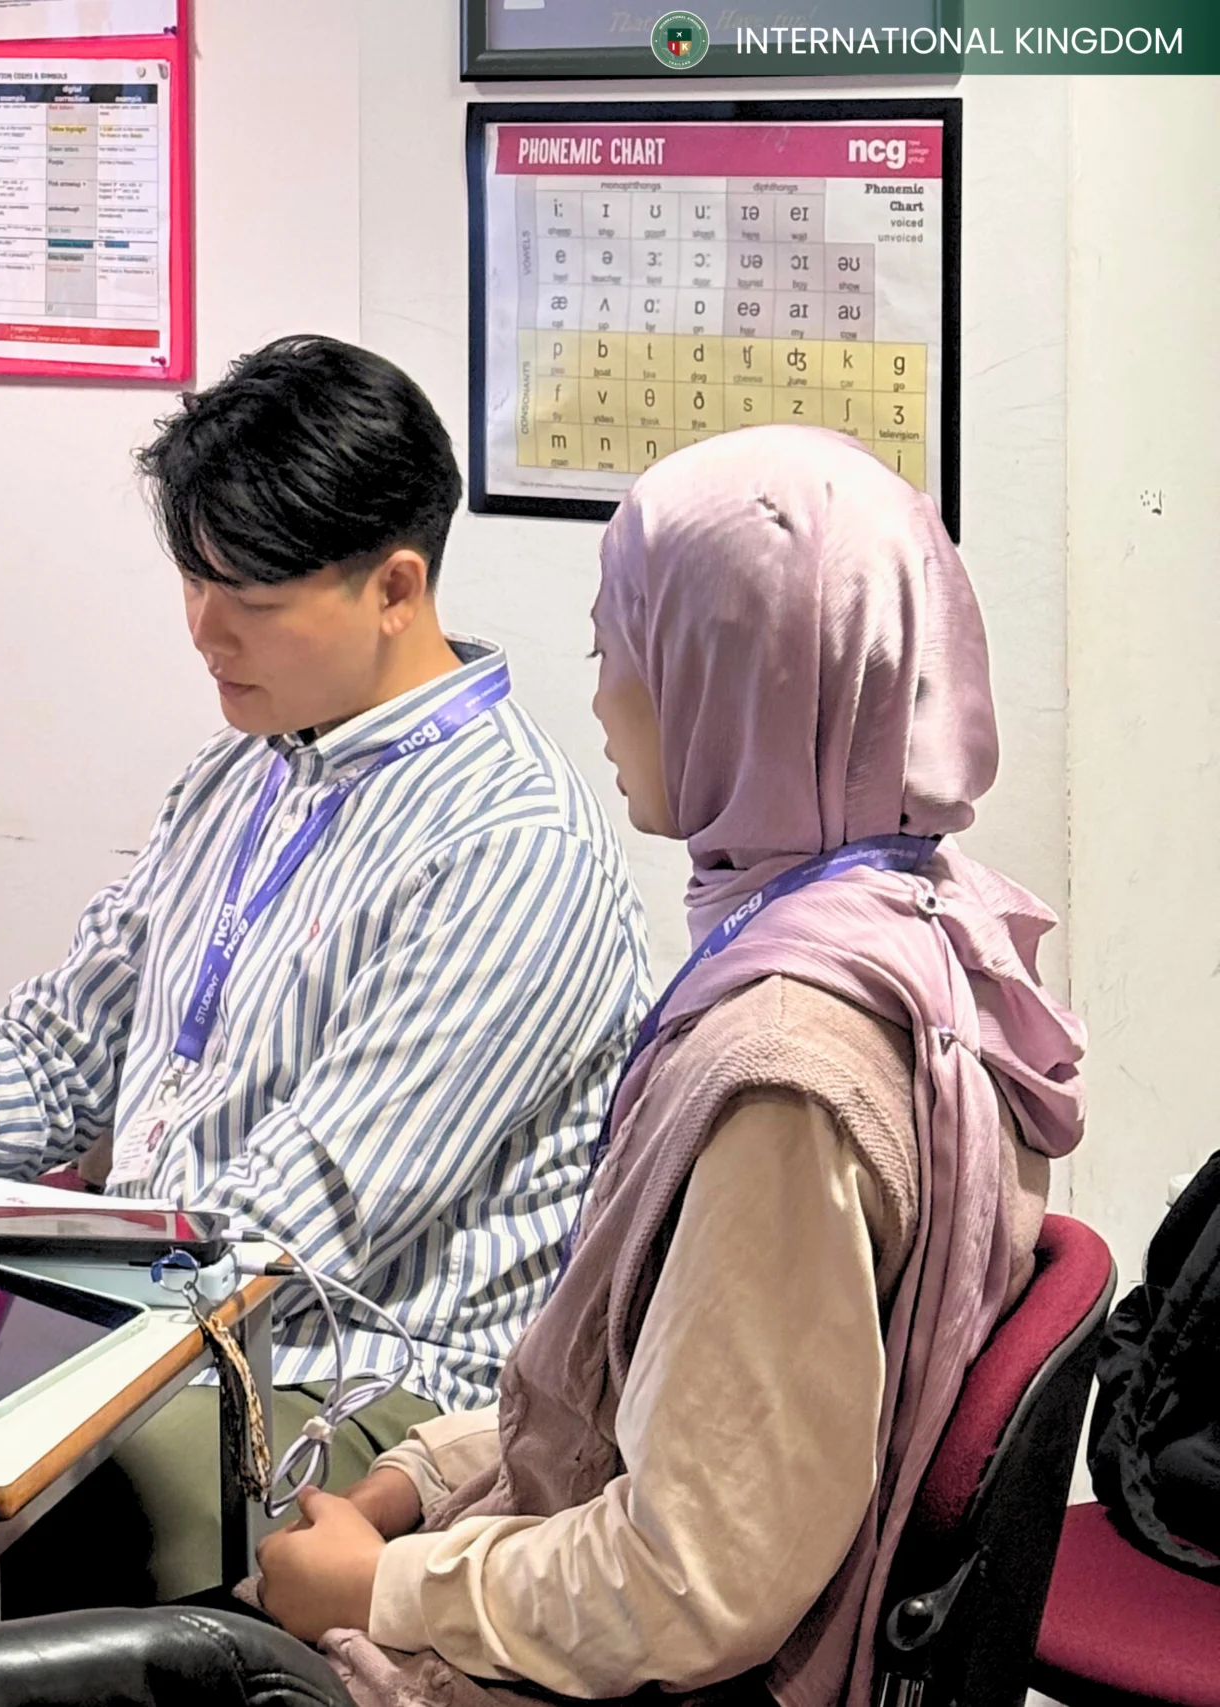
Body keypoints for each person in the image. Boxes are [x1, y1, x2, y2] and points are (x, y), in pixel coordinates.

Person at [250, 425, 1083, 1707]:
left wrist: (386, 1590)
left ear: (736, 683)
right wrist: (426, 1475)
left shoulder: (786, 1080)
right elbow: (681, 1405)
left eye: (622, 655)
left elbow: (696, 1576)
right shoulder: (920, 923)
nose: (598, 699)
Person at [0, 335, 652, 1607]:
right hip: (178, 1318)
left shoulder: (509, 851)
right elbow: (56, 1058)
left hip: (366, 1388)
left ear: (395, 588)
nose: (205, 632)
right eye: (192, 582)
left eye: (251, 602)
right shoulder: (245, 767)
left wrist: (13, 1271)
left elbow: (290, 1233)